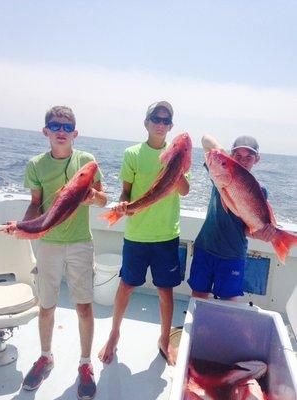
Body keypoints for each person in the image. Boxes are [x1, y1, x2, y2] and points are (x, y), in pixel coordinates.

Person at [15, 106, 107, 399]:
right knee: (47, 305)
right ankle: (45, 356)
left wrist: (92, 196)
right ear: (46, 131)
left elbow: (104, 200)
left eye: (67, 127)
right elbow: (36, 203)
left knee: (83, 306)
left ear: (75, 133)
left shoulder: (87, 162)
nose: (61, 131)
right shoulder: (36, 165)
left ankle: (84, 363)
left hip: (80, 242)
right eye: (55, 125)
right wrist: (28, 226)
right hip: (50, 245)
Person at [98, 101, 190, 366]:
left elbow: (183, 190)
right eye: (156, 119)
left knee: (165, 291)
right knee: (126, 285)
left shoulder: (178, 155)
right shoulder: (132, 153)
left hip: (166, 235)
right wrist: (122, 206)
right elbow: (126, 193)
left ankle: (163, 338)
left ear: (170, 126)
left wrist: (178, 166)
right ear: (146, 122)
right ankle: (114, 334)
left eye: (165, 120)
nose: (160, 124)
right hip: (137, 234)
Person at [188, 134, 276, 300]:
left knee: (228, 303)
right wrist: (222, 154)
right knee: (198, 296)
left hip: (233, 254)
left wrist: (258, 234)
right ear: (230, 155)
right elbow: (205, 139)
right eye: (238, 156)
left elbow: (248, 227)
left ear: (257, 159)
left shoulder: (259, 189)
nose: (243, 161)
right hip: (205, 247)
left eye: (249, 157)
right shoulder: (220, 172)